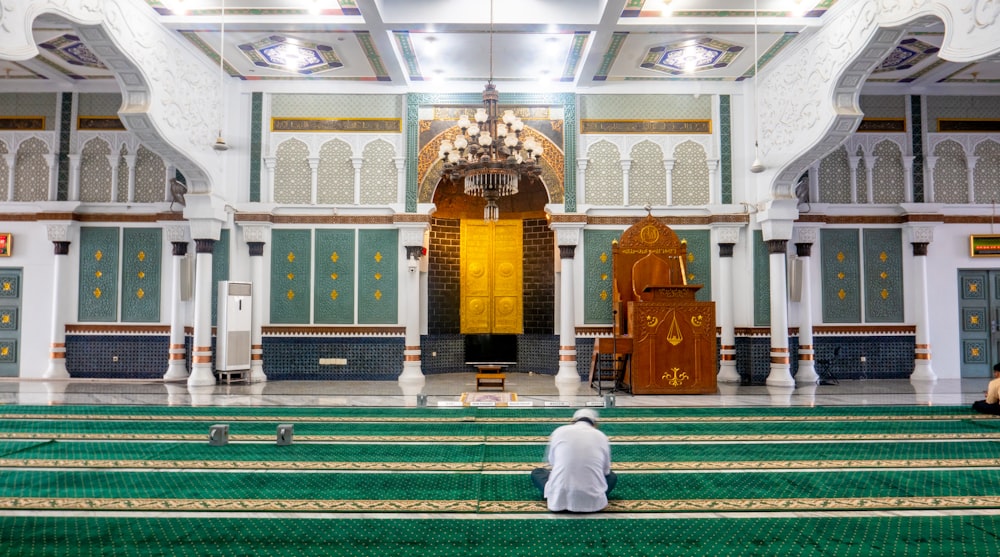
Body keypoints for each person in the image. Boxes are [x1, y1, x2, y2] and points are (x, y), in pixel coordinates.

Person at [530, 408, 617, 512]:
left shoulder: (559, 431)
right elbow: (606, 471)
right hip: (593, 503)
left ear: (573, 422)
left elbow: (552, 462)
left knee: (538, 472)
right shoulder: (601, 436)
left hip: (558, 499)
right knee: (612, 476)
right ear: (594, 424)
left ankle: (552, 494)